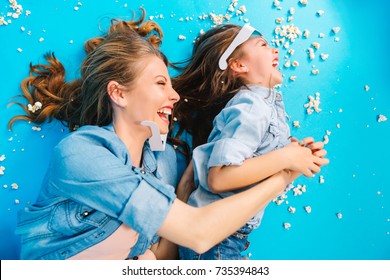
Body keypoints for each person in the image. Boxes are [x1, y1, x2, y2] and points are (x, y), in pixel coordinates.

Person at [8, 11, 310, 260]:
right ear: (118, 93)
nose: (174, 95)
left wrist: (184, 189)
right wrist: (283, 174)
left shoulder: (165, 162)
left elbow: (166, 256)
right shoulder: (81, 153)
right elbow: (199, 233)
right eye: (160, 83)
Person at [170, 23, 329, 260]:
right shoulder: (252, 106)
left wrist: (296, 158)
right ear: (238, 65)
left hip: (226, 238)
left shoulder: (263, 107)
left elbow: (252, 170)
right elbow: (219, 177)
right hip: (218, 238)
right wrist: (285, 157)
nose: (275, 50)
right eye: (263, 44)